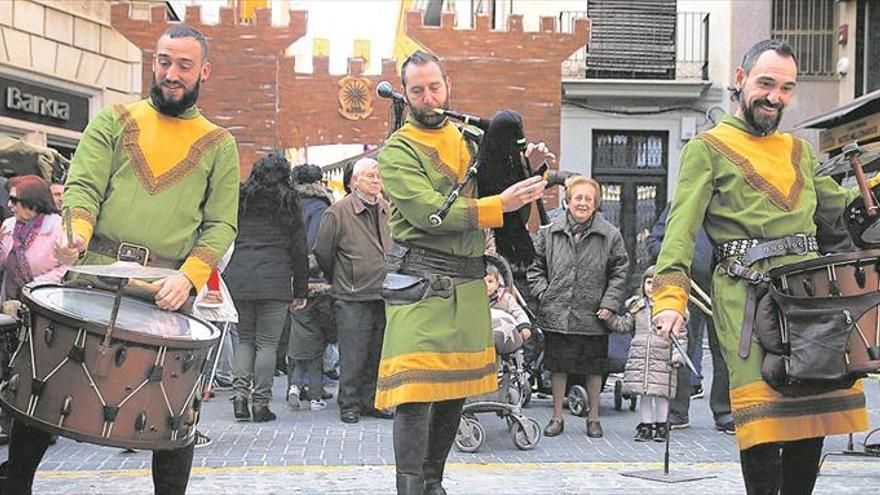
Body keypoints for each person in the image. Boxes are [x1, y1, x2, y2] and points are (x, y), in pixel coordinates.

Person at [2, 25, 240, 495]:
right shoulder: (113, 120)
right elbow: (84, 187)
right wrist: (78, 234)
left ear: (204, 72)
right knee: (42, 394)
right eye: (164, 61)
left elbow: (220, 226)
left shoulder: (220, 144)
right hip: (93, 277)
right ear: (155, 63)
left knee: (175, 415)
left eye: (184, 65)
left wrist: (190, 279)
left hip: (166, 291)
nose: (171, 74)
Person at [652, 39, 868, 494]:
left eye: (786, 88)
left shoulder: (801, 151)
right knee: (764, 427)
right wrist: (670, 299)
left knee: (813, 424)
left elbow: (841, 208)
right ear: (740, 80)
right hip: (749, 301)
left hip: (812, 299)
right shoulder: (707, 149)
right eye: (766, 83)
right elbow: (680, 231)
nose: (775, 97)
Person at [377, 51, 551, 494]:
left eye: (434, 87)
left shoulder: (473, 138)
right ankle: (410, 489)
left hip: (469, 282)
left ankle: (433, 482)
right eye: (417, 90)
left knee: (456, 389)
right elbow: (425, 212)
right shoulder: (397, 150)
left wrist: (522, 165)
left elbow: (498, 183)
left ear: (447, 83)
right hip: (420, 284)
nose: (428, 97)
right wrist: (500, 205)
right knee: (414, 393)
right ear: (405, 93)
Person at [527, 175, 629, 439]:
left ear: (596, 203)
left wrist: (609, 304)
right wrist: (544, 294)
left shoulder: (610, 235)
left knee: (594, 368)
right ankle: (557, 418)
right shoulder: (549, 233)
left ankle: (594, 419)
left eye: (588, 199)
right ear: (567, 201)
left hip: (593, 313)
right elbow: (535, 268)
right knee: (558, 366)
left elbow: (620, 271)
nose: (582, 203)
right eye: (578, 198)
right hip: (557, 311)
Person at [224, 155, 308, 423]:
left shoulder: (240, 197)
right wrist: (301, 290)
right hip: (275, 278)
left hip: (240, 276)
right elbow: (299, 248)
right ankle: (260, 404)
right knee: (268, 344)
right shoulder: (289, 201)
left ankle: (239, 400)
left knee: (245, 340)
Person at [314, 157, 392, 424]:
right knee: (353, 352)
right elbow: (323, 252)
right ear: (355, 181)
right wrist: (342, 277)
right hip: (351, 294)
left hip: (382, 292)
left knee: (377, 350)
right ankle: (348, 403)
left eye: (379, 176)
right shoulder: (338, 212)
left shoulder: (385, 208)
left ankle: (371, 401)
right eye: (370, 176)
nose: (376, 180)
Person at [647, 202, 735, 434]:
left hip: (725, 288)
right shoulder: (679, 205)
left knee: (725, 351)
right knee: (682, 349)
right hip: (687, 289)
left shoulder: (730, 206)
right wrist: (678, 260)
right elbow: (655, 242)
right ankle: (677, 411)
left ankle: (725, 410)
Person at [607, 266, 686, 442]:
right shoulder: (637, 307)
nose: (652, 287)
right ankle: (645, 425)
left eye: (657, 284)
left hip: (663, 357)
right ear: (643, 284)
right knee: (644, 393)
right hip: (641, 356)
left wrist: (677, 354)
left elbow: (680, 335)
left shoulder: (670, 311)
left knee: (661, 394)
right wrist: (610, 319)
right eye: (649, 282)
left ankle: (661, 425)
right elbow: (624, 325)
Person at [286, 163, 336, 411]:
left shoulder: (288, 203)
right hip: (316, 279)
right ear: (319, 181)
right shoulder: (322, 207)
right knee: (317, 336)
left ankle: (295, 384)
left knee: (297, 335)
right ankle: (314, 389)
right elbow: (320, 243)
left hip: (289, 276)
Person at [0, 176, 67, 300]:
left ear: (32, 203)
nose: (9, 205)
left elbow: (67, 267)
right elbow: (3, 264)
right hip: (9, 302)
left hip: (44, 300)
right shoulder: (8, 225)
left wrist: (33, 287)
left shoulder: (59, 227)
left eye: (14, 201)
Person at [485, 265, 531, 354]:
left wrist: (524, 326)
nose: (486, 285)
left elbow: (517, 312)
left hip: (502, 334)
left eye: (490, 281)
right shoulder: (473, 300)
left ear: (497, 283)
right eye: (482, 282)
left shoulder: (505, 298)